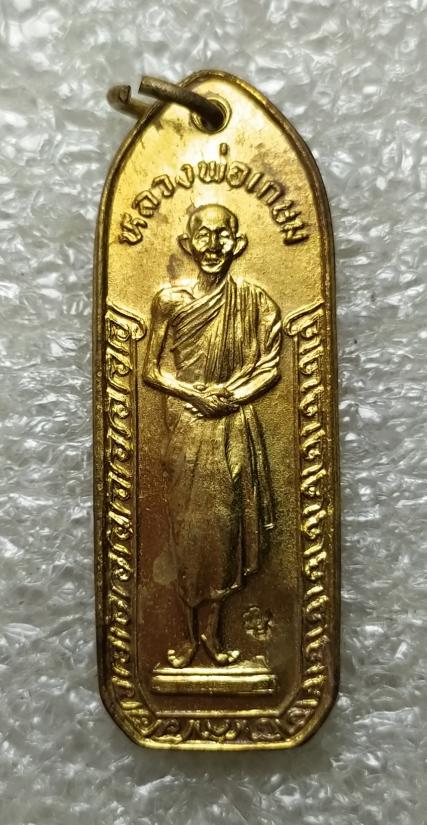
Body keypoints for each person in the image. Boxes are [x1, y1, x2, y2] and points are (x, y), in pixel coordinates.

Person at [143, 204, 282, 668]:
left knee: (225, 533)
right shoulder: (170, 301)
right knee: (189, 533)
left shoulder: (255, 301)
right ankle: (187, 636)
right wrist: (195, 395)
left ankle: (213, 635)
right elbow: (151, 371)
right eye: (203, 235)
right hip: (186, 423)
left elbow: (269, 366)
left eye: (223, 236)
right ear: (187, 243)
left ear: (238, 244)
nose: (213, 245)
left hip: (233, 424)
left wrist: (230, 396)